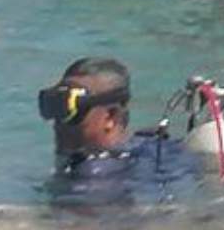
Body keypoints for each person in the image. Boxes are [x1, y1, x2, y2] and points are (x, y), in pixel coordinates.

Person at [40, 56, 191, 198]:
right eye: (54, 107)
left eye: (70, 111)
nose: (58, 122)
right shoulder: (157, 147)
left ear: (110, 117)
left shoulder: (93, 178)